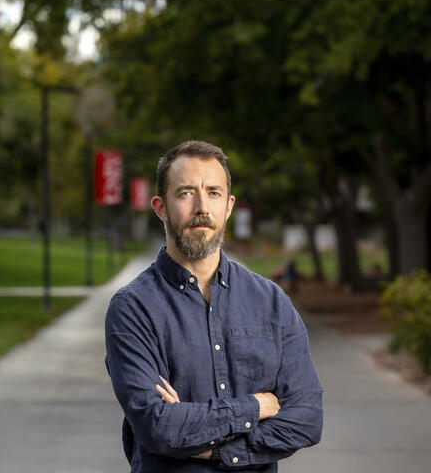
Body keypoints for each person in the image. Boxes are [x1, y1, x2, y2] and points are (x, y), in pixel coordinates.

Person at [105, 140, 323, 472]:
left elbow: (307, 419)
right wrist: (254, 407)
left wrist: (212, 449)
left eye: (214, 193)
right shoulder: (133, 309)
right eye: (186, 193)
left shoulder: (271, 302)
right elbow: (158, 426)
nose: (202, 207)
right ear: (160, 207)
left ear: (229, 206)